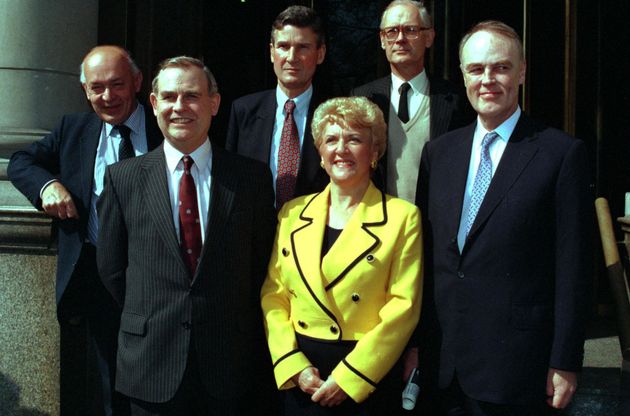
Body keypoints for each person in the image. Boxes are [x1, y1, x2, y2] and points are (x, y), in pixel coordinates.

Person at [417, 21, 591, 415]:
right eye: (476, 70)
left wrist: (565, 360)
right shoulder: (439, 154)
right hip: (443, 366)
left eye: (501, 67)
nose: (488, 80)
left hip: (517, 370)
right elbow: (428, 261)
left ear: (523, 71)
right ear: (463, 76)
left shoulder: (560, 154)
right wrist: (415, 346)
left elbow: (574, 268)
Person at [96, 56, 276, 416]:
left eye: (192, 96)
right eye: (170, 97)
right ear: (154, 103)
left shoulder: (251, 178)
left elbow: (261, 265)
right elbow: (112, 269)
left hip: (228, 365)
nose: (180, 107)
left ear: (214, 103)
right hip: (150, 364)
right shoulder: (123, 179)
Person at [7, 45, 161, 416]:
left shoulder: (167, 127)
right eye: (97, 88)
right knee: (105, 383)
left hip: (157, 277)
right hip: (95, 276)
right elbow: (20, 161)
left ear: (137, 82)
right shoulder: (73, 129)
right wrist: (48, 186)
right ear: (85, 90)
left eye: (117, 84)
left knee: (156, 379)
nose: (107, 97)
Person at [261, 96, 423, 415]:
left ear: (374, 152)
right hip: (303, 373)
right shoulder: (293, 213)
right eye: (331, 139)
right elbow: (274, 295)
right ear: (320, 153)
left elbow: (402, 308)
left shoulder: (403, 217)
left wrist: (352, 377)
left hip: (365, 374)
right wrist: (291, 363)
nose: (341, 149)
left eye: (354, 139)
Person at [352, 0, 470, 203]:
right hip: (378, 222)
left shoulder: (456, 100)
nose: (400, 39)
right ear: (382, 40)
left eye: (411, 30)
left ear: (429, 37)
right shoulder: (362, 98)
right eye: (391, 31)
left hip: (434, 223)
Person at [226, 5, 329, 209]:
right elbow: (230, 182)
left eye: (303, 47)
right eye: (283, 46)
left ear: (320, 54)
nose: (291, 57)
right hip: (254, 235)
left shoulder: (334, 115)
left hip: (315, 234)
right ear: (272, 52)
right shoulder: (243, 111)